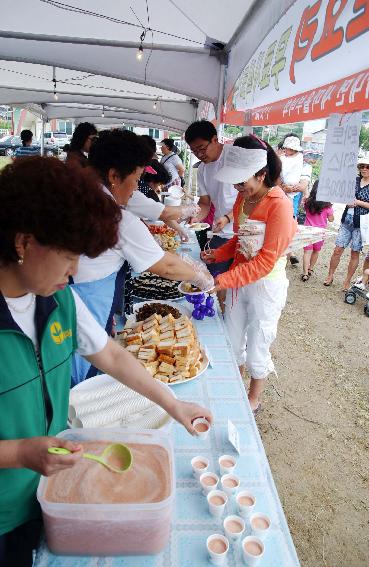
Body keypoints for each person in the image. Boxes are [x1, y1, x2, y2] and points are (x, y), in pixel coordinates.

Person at [0, 156, 213, 567]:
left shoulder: (57, 297)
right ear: (23, 243)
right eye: (68, 255)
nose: (76, 270)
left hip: (49, 491)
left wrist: (173, 403)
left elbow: (111, 354)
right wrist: (21, 453)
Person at [71, 129, 213, 384]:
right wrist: (200, 277)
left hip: (67, 302)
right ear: (114, 175)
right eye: (136, 179)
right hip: (86, 308)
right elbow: (167, 266)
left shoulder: (76, 194)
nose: (137, 189)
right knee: (82, 380)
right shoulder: (115, 218)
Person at [202, 135, 296, 413]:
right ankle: (235, 385)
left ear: (262, 174)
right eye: (235, 183)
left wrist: (221, 281)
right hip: (238, 279)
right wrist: (218, 255)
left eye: (242, 182)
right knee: (232, 338)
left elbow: (266, 260)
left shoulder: (279, 204)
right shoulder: (243, 200)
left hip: (265, 285)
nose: (238, 188)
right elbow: (238, 239)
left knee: (259, 340)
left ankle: (253, 399)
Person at [185, 121, 239, 308]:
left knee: (238, 285)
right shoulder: (202, 169)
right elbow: (205, 203)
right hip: (221, 233)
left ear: (215, 139)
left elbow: (249, 200)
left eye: (202, 148)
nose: (199, 155)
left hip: (242, 232)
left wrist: (228, 217)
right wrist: (195, 217)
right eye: (194, 152)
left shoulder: (234, 157)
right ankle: (220, 310)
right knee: (215, 279)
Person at [324, 157, 369, 291]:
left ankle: (347, 281)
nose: (364, 169)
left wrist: (358, 202)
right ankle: (330, 275)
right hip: (347, 219)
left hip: (361, 224)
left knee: (354, 253)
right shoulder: (354, 180)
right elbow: (342, 194)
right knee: (337, 249)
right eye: (362, 166)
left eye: (367, 167)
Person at [301, 180, 334, 281]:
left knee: (307, 252)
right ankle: (311, 269)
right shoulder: (327, 206)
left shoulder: (307, 202)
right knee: (316, 251)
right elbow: (331, 219)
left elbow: (303, 209)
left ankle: (305, 273)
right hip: (320, 233)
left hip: (307, 230)